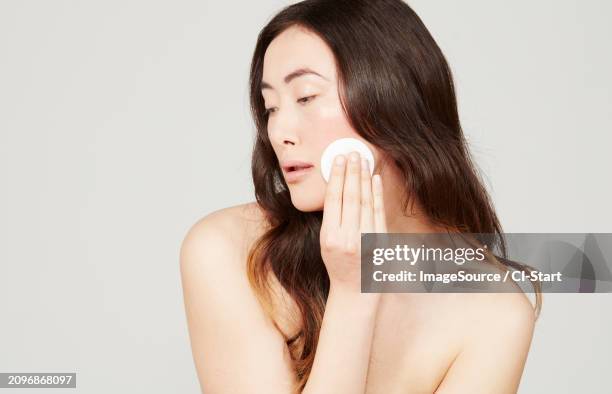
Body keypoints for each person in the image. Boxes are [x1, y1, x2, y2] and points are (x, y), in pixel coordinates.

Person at [180, 1, 542, 392]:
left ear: (394, 99)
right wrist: (352, 295)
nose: (279, 130)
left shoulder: (495, 310)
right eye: (270, 107)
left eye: (305, 97)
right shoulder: (227, 249)